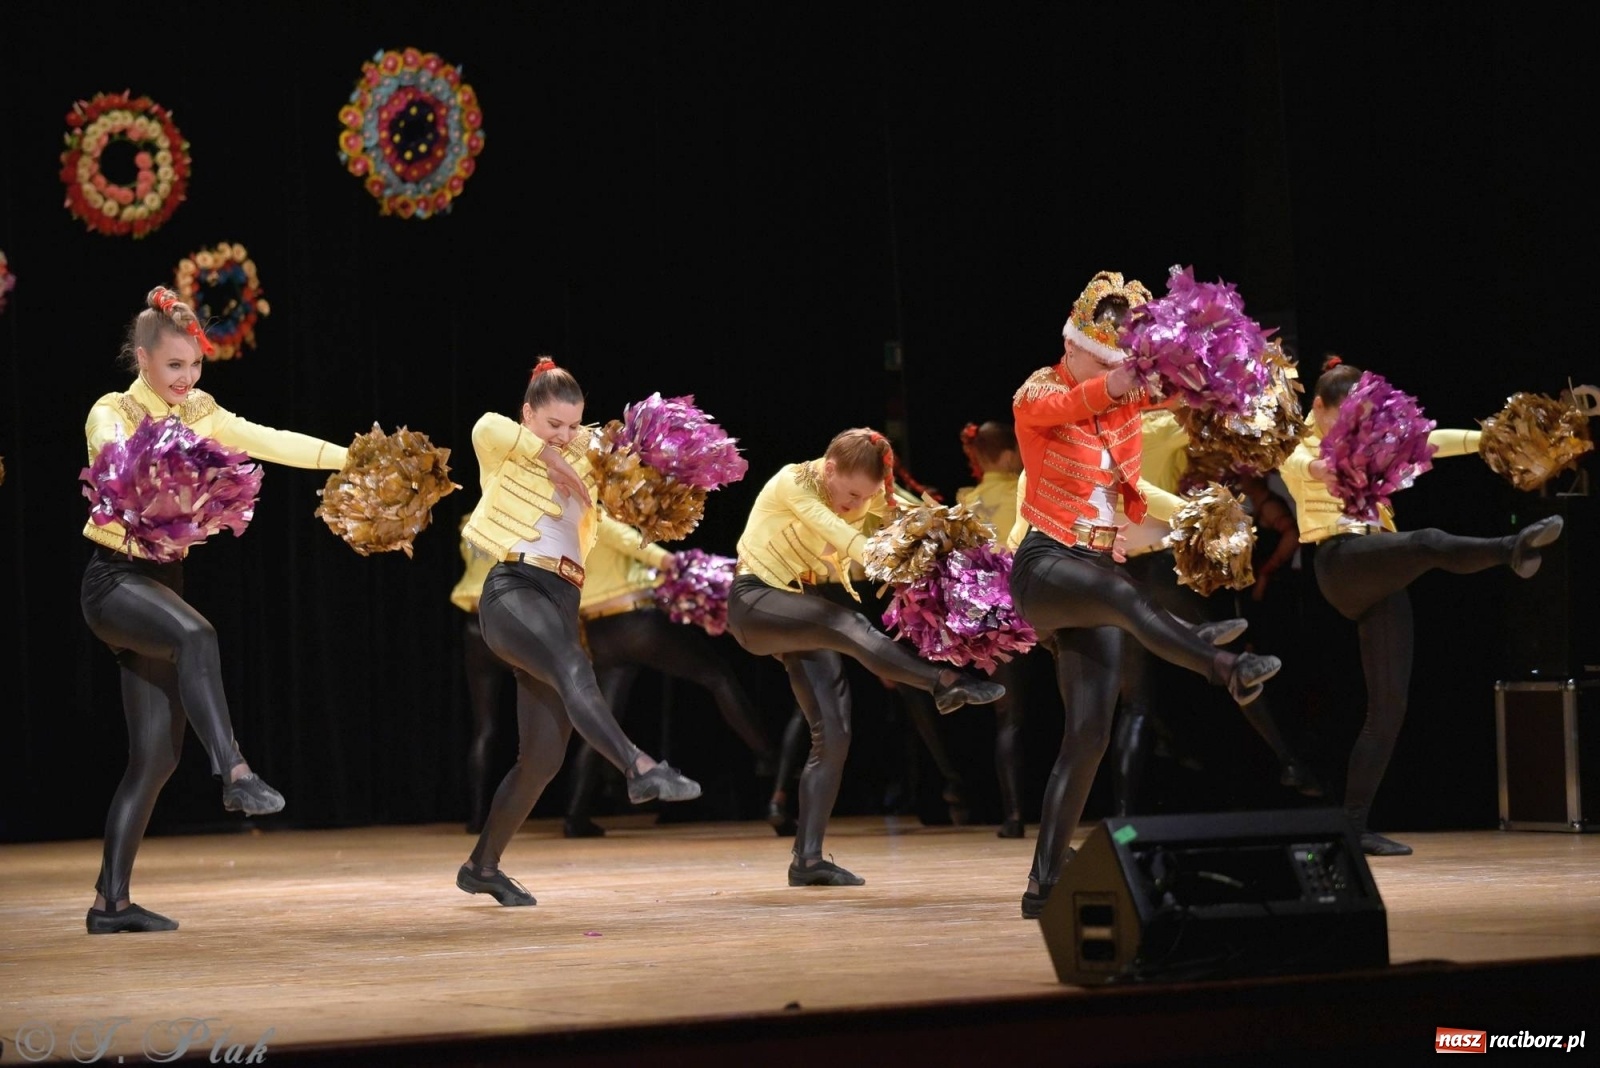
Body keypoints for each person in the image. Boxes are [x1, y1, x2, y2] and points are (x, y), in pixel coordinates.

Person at [1008, 271, 1284, 919]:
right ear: (1069, 344)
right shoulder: (1039, 390)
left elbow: (1173, 400)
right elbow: (1058, 411)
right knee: (1129, 599)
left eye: (1113, 361)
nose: (1105, 370)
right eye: (1094, 357)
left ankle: (1044, 881)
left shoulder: (1123, 403)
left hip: (1095, 566)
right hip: (1045, 565)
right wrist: (1115, 382)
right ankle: (1226, 666)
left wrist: (1230, 376)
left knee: (1089, 735)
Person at [79, 286, 351, 934]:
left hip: (160, 589)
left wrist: (352, 458)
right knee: (198, 636)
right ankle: (235, 771)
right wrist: (169, 453)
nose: (187, 378)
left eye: (194, 365)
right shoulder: (112, 411)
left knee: (155, 759)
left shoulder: (201, 410)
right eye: (175, 365)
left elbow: (271, 440)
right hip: (115, 583)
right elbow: (112, 459)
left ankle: (109, 904)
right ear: (142, 358)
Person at [1280, 356, 1564, 856]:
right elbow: (1307, 467)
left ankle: (1355, 826)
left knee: (1389, 706)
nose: (1348, 426)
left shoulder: (1365, 435)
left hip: (1380, 567)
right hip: (1342, 562)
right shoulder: (1296, 445)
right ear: (1318, 407)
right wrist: (1325, 464)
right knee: (1428, 542)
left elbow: (1426, 441)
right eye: (1339, 417)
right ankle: (1510, 548)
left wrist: (1486, 439)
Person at [455, 358, 702, 907]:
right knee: (574, 667)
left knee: (541, 760)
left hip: (562, 601)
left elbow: (607, 525)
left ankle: (481, 866)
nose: (565, 436)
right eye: (553, 425)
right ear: (529, 414)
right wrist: (546, 454)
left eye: (573, 426)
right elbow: (483, 426)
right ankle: (640, 767)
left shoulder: (586, 458)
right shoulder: (507, 446)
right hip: (514, 589)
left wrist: (666, 561)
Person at [725, 428, 1006, 887]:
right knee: (848, 624)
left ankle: (807, 860)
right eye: (852, 494)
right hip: (755, 601)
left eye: (867, 496)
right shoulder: (792, 482)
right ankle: (944, 683)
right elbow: (840, 533)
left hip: (800, 611)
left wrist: (957, 545)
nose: (857, 505)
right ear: (830, 469)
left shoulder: (865, 494)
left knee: (834, 731)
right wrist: (883, 554)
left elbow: (912, 514)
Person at [562, 514, 777, 838]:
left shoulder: (563, 528)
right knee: (717, 675)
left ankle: (576, 814)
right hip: (637, 623)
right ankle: (767, 758)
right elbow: (656, 557)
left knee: (603, 723)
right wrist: (699, 571)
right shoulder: (597, 520)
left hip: (597, 632)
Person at [955, 420, 1037, 837]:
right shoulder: (1027, 488)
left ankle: (1014, 815)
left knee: (1009, 716)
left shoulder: (965, 503)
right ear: (1008, 457)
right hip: (1037, 602)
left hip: (993, 616)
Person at [449, 517, 514, 836]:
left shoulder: (468, 522)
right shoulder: (518, 513)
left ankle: (476, 816)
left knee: (484, 727)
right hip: (508, 619)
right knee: (537, 719)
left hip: (474, 625)